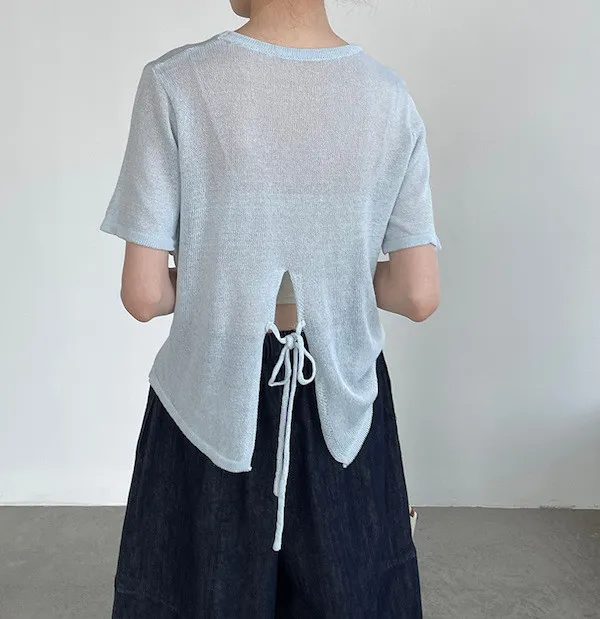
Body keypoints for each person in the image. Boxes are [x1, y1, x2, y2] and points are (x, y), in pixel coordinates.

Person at [100, 0, 441, 617]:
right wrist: (334, 278)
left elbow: (143, 294)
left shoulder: (175, 82)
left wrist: (222, 279)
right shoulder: (388, 98)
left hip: (211, 397)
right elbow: (418, 294)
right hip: (341, 400)